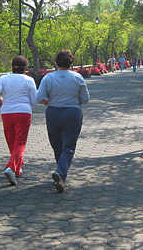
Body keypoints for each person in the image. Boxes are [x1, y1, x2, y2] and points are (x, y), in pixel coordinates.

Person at [36, 50, 90, 192]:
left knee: (56, 144)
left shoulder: (48, 78)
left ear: (56, 63)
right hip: (72, 113)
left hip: (53, 113)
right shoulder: (78, 77)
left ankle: (60, 171)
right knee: (69, 146)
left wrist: (48, 100)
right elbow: (86, 99)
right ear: (71, 63)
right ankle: (61, 172)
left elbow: (39, 98)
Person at [0, 56, 37, 186]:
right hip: (23, 112)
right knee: (20, 142)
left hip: (6, 112)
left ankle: (17, 167)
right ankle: (11, 167)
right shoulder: (29, 80)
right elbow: (34, 101)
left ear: (12, 67)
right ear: (26, 68)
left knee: (11, 140)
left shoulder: (3, 78)